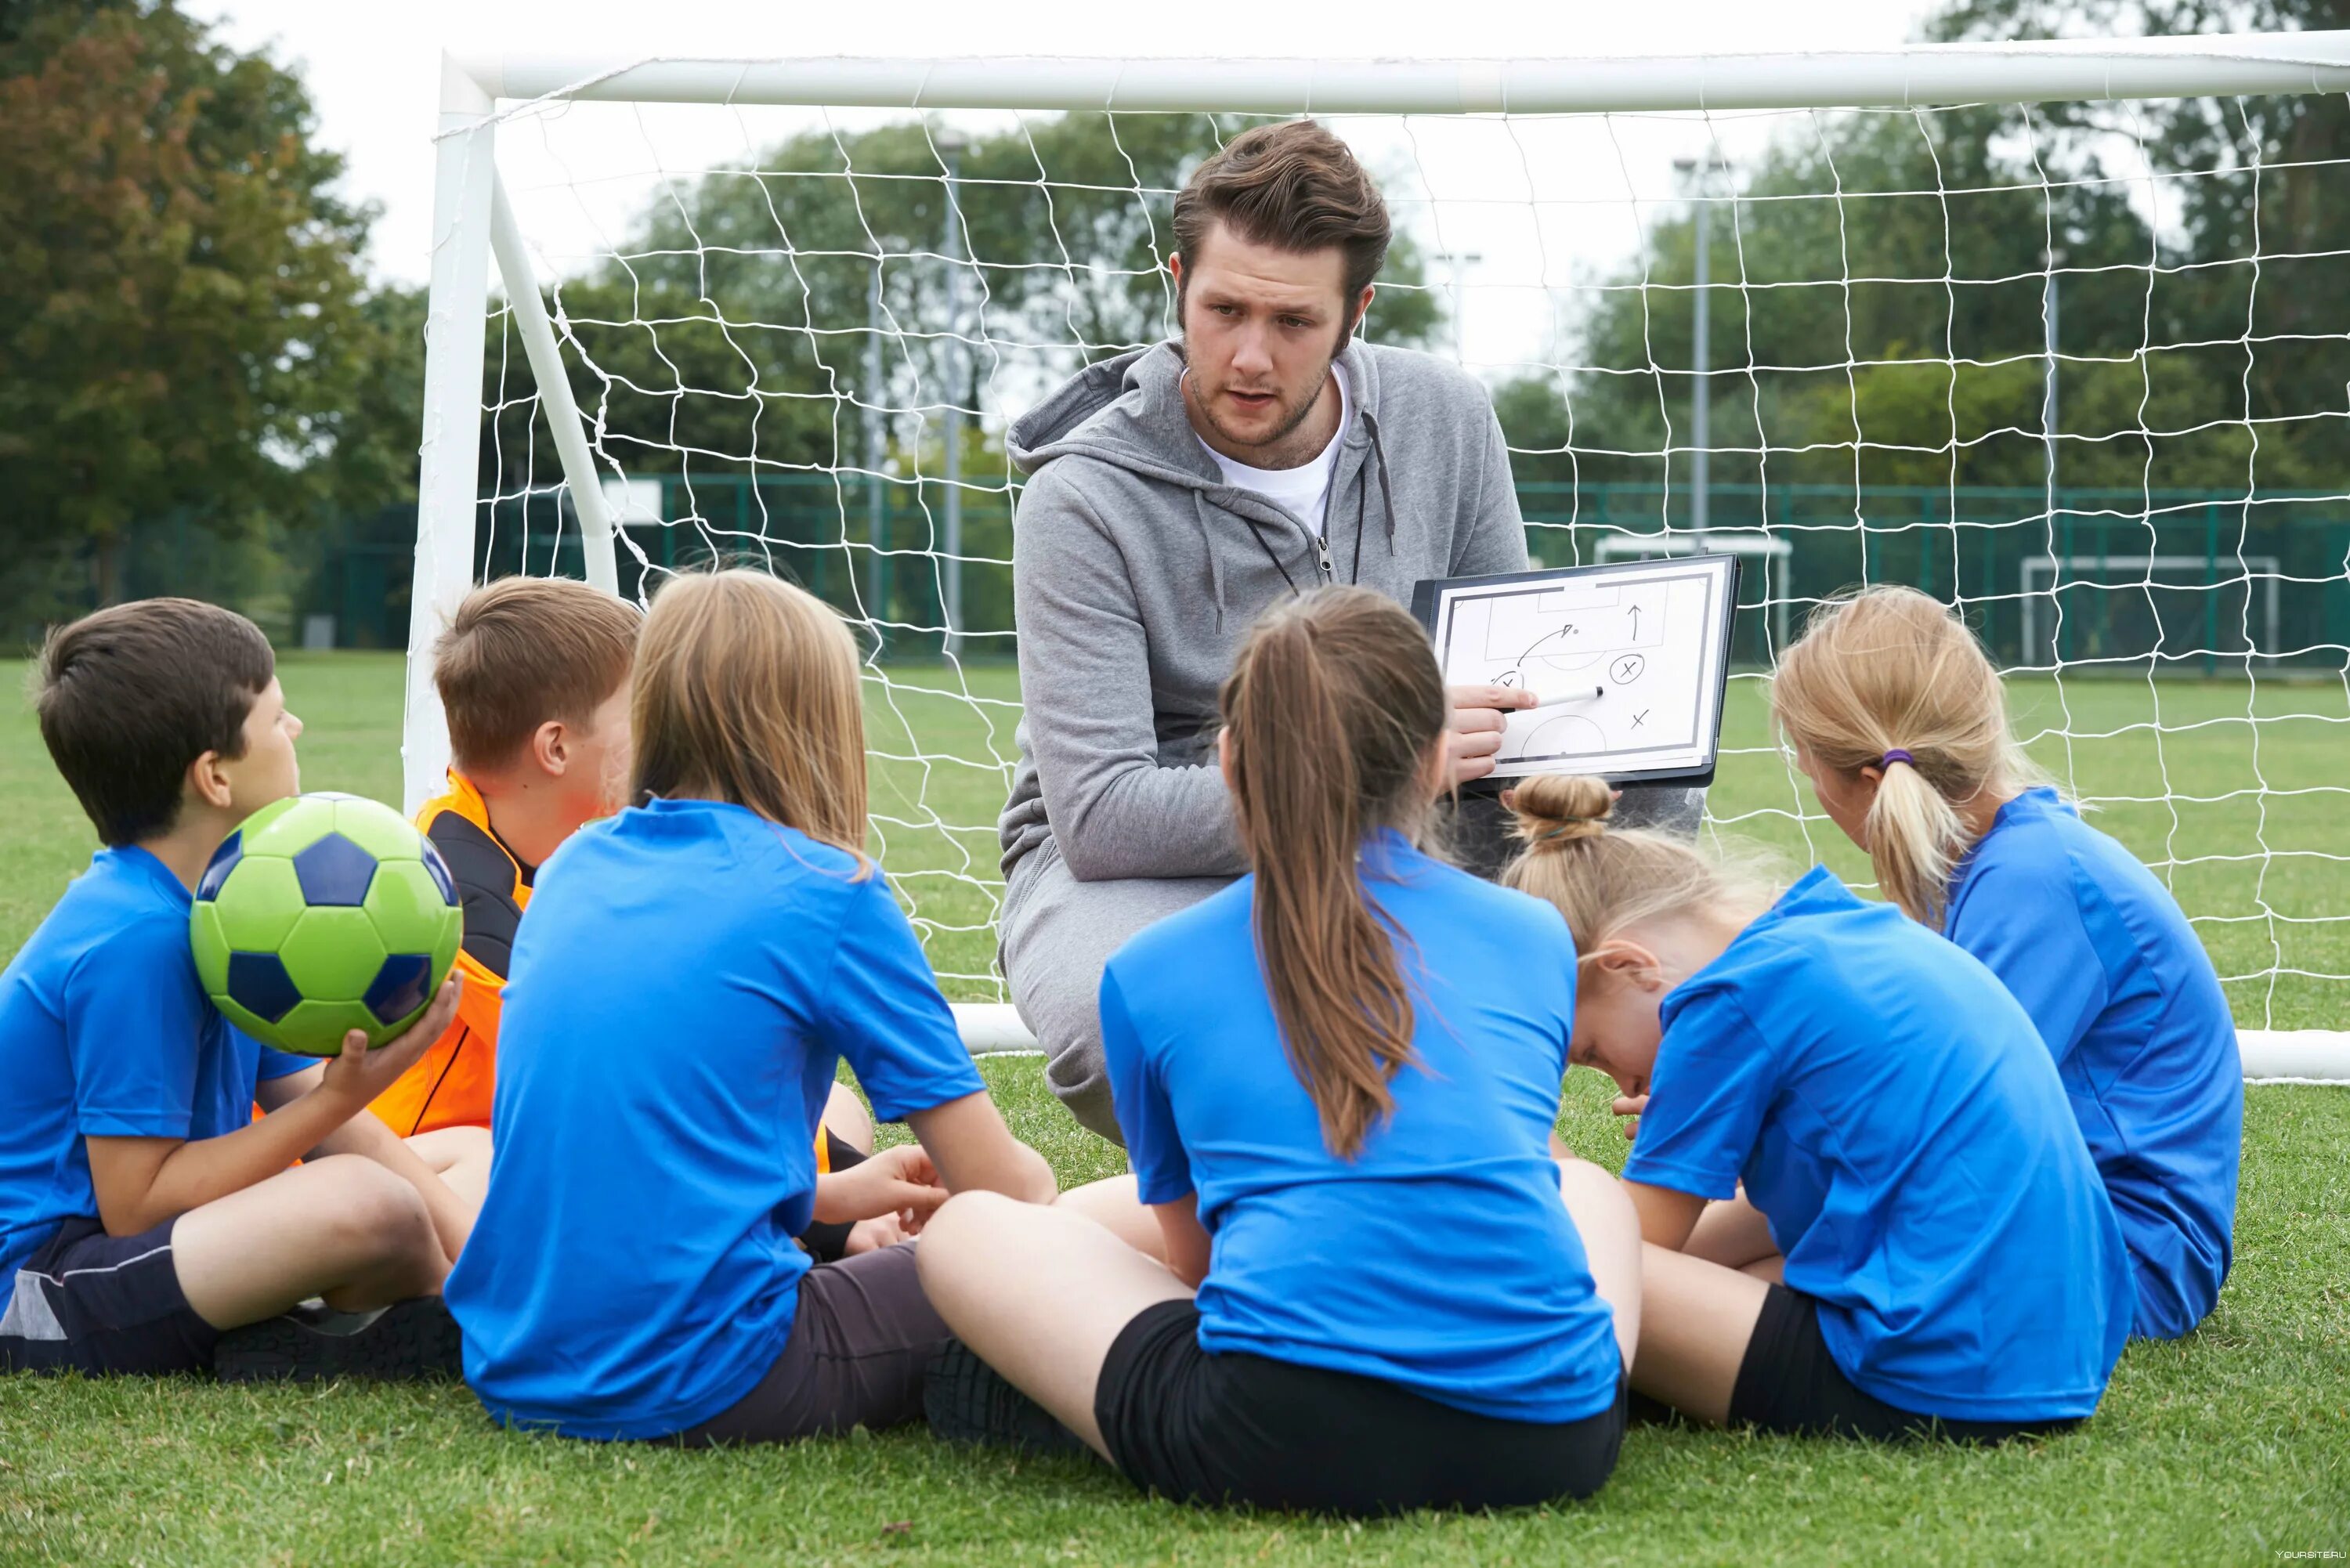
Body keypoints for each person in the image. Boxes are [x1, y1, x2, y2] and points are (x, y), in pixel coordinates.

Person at [999, 119, 1700, 1140]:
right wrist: (1368, 776)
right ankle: (1265, 1246)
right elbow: (1105, 816)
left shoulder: (1446, 417)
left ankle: (1708, 1171)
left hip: (1421, 802)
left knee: (1667, 829)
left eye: (1291, 321)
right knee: (1137, 1023)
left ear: (1354, 314)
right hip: (1168, 851)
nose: (1247, 355)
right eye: (1223, 309)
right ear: (1176, 281)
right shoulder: (1084, 496)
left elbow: (1509, 669)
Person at [920, 588, 1640, 1515]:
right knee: (1583, 1185)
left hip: (1278, 1439)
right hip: (1557, 1437)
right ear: (1436, 760)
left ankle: (1029, 1382)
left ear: (1226, 761)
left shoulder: (1147, 970)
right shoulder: (1535, 932)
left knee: (968, 1233)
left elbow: (1194, 1266)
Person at [443, 570, 1058, 1444]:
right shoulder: (829, 892)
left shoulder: (574, 867)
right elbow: (1008, 1190)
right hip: (716, 1376)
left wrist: (829, 1198)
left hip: (513, 1362)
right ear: (823, 723)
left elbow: (636, 1142)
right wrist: (1021, 1216)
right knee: (1079, 1233)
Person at [1502, 776, 2134, 1442]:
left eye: (1594, 1050)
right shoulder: (1836, 927)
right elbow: (1775, 1215)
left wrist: (1526, 1130)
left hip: (1938, 1377)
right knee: (1724, 1259)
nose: (1615, 1076)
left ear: (1631, 965)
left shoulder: (1727, 1002)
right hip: (2049, 1354)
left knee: (1559, 1265)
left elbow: (1622, 1252)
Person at [1, 598, 479, 1382]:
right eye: (278, 717)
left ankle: (415, 1297)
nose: (297, 733)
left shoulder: (223, 911)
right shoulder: (138, 941)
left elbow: (303, 1108)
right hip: (47, 1281)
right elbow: (137, 1206)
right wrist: (342, 1098)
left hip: (153, 1245)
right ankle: (429, 1315)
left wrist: (477, 1251)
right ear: (214, 775)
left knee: (464, 1150)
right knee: (371, 1201)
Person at [371, 576, 895, 1257]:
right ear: (556, 749)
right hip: (435, 1162)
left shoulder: (587, 860)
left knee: (832, 1108)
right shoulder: (446, 884)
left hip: (554, 1140)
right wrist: (841, 1216)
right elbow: (638, 1063)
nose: (666, 733)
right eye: (644, 711)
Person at [1770, 585, 2242, 1339]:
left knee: (1697, 1286)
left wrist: (1747, 1112)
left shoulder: (2033, 880)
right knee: (1705, 1263)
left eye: (1808, 769)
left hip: (2119, 1258)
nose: (1814, 792)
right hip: (2039, 1218)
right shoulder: (1994, 862)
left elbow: (1931, 1126)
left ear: (1867, 781)